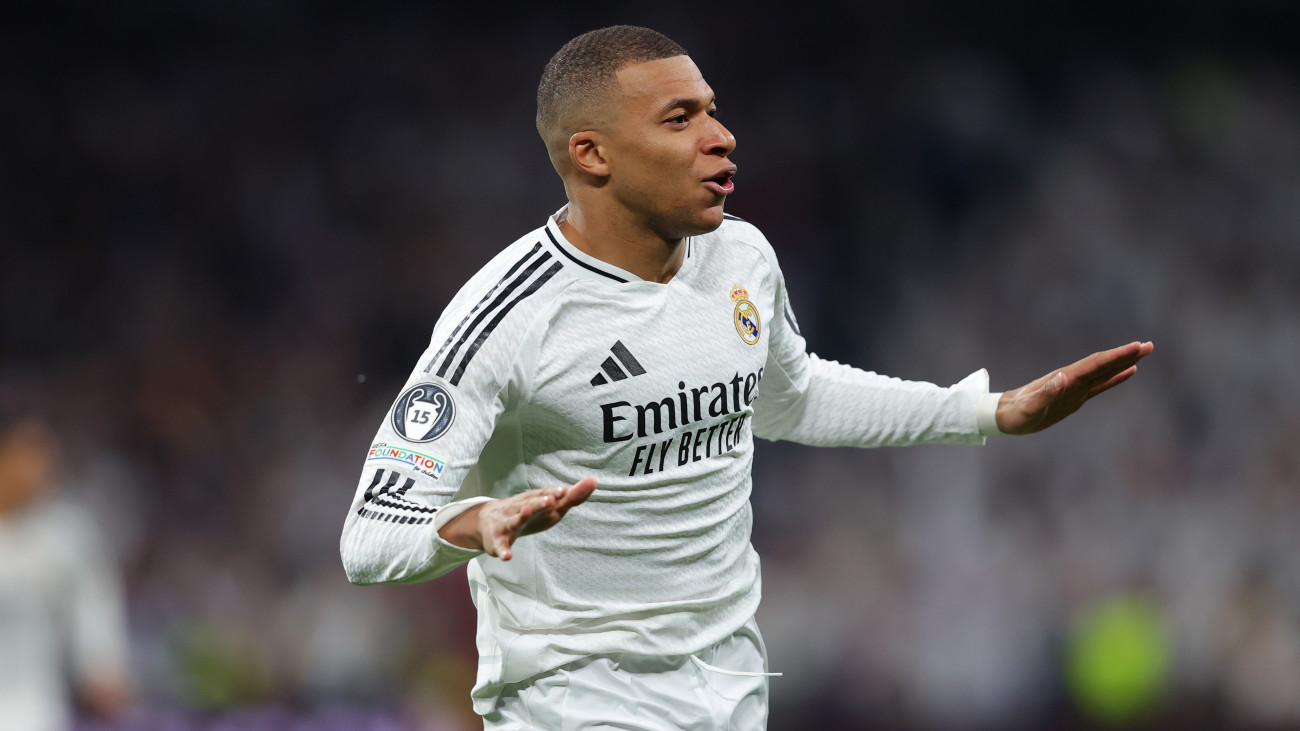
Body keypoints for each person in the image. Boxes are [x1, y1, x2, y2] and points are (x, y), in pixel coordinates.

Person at [339, 25, 1153, 729]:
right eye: (679, 119)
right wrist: (474, 520)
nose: (722, 136)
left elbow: (792, 397)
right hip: (576, 698)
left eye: (712, 110)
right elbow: (369, 538)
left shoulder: (741, 256)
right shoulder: (506, 316)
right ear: (592, 154)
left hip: (728, 686)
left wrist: (988, 410)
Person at [0, 415, 132, 731]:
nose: (36, 473)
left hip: (32, 709)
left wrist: (103, 666)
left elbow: (95, 612)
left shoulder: (66, 538)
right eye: (25, 459)